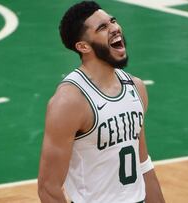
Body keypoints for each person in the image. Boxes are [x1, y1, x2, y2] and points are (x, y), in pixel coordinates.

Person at [37, 1, 166, 202]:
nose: (115, 28)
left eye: (112, 21)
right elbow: (48, 188)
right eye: (102, 27)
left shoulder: (136, 87)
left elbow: (143, 164)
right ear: (83, 46)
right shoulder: (70, 102)